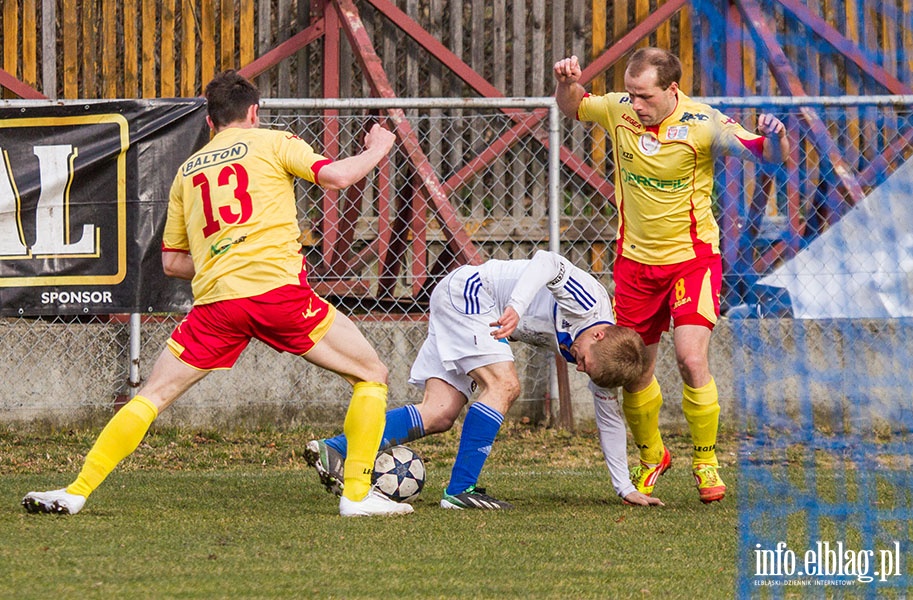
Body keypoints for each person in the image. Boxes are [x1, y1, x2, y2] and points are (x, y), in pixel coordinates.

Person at [21, 70, 412, 518]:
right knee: (371, 374)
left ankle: (76, 490)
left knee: (151, 395)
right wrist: (378, 148)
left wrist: (223, 257)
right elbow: (337, 177)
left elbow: (172, 263)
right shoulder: (272, 141)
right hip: (275, 293)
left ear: (209, 123)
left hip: (217, 305)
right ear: (254, 112)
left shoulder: (187, 172)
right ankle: (357, 495)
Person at [553, 49, 789, 503]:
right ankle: (652, 456)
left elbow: (767, 156)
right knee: (635, 368)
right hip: (635, 264)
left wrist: (774, 138)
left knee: (690, 359)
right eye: (632, 93)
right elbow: (574, 105)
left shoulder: (702, 123)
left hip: (691, 260)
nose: (635, 104)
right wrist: (567, 82)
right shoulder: (618, 110)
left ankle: (705, 460)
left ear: (672, 90)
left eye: (645, 96)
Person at [306, 250, 664, 509]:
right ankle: (462, 490)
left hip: (468, 305)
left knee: (439, 413)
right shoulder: (588, 301)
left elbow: (610, 420)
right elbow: (547, 261)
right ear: (599, 335)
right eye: (584, 360)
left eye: (585, 369)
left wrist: (623, 487)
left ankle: (336, 448)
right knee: (504, 385)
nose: (581, 368)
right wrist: (519, 306)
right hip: (473, 292)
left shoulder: (604, 356)